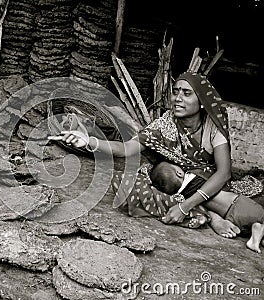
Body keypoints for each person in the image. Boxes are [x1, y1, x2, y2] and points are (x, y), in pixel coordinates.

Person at [49, 71, 246, 239]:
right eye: (175, 92)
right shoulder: (166, 123)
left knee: (205, 188)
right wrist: (89, 141)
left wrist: (185, 206)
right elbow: (127, 149)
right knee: (138, 184)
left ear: (201, 101)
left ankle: (204, 212)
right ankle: (210, 213)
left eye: (187, 94)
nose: (178, 98)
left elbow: (224, 173)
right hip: (175, 181)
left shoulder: (212, 127)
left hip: (206, 181)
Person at [150, 161, 264, 253]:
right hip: (238, 204)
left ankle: (256, 236)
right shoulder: (196, 175)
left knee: (250, 228)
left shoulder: (184, 197)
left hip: (228, 217)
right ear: (179, 173)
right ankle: (256, 235)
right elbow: (220, 175)